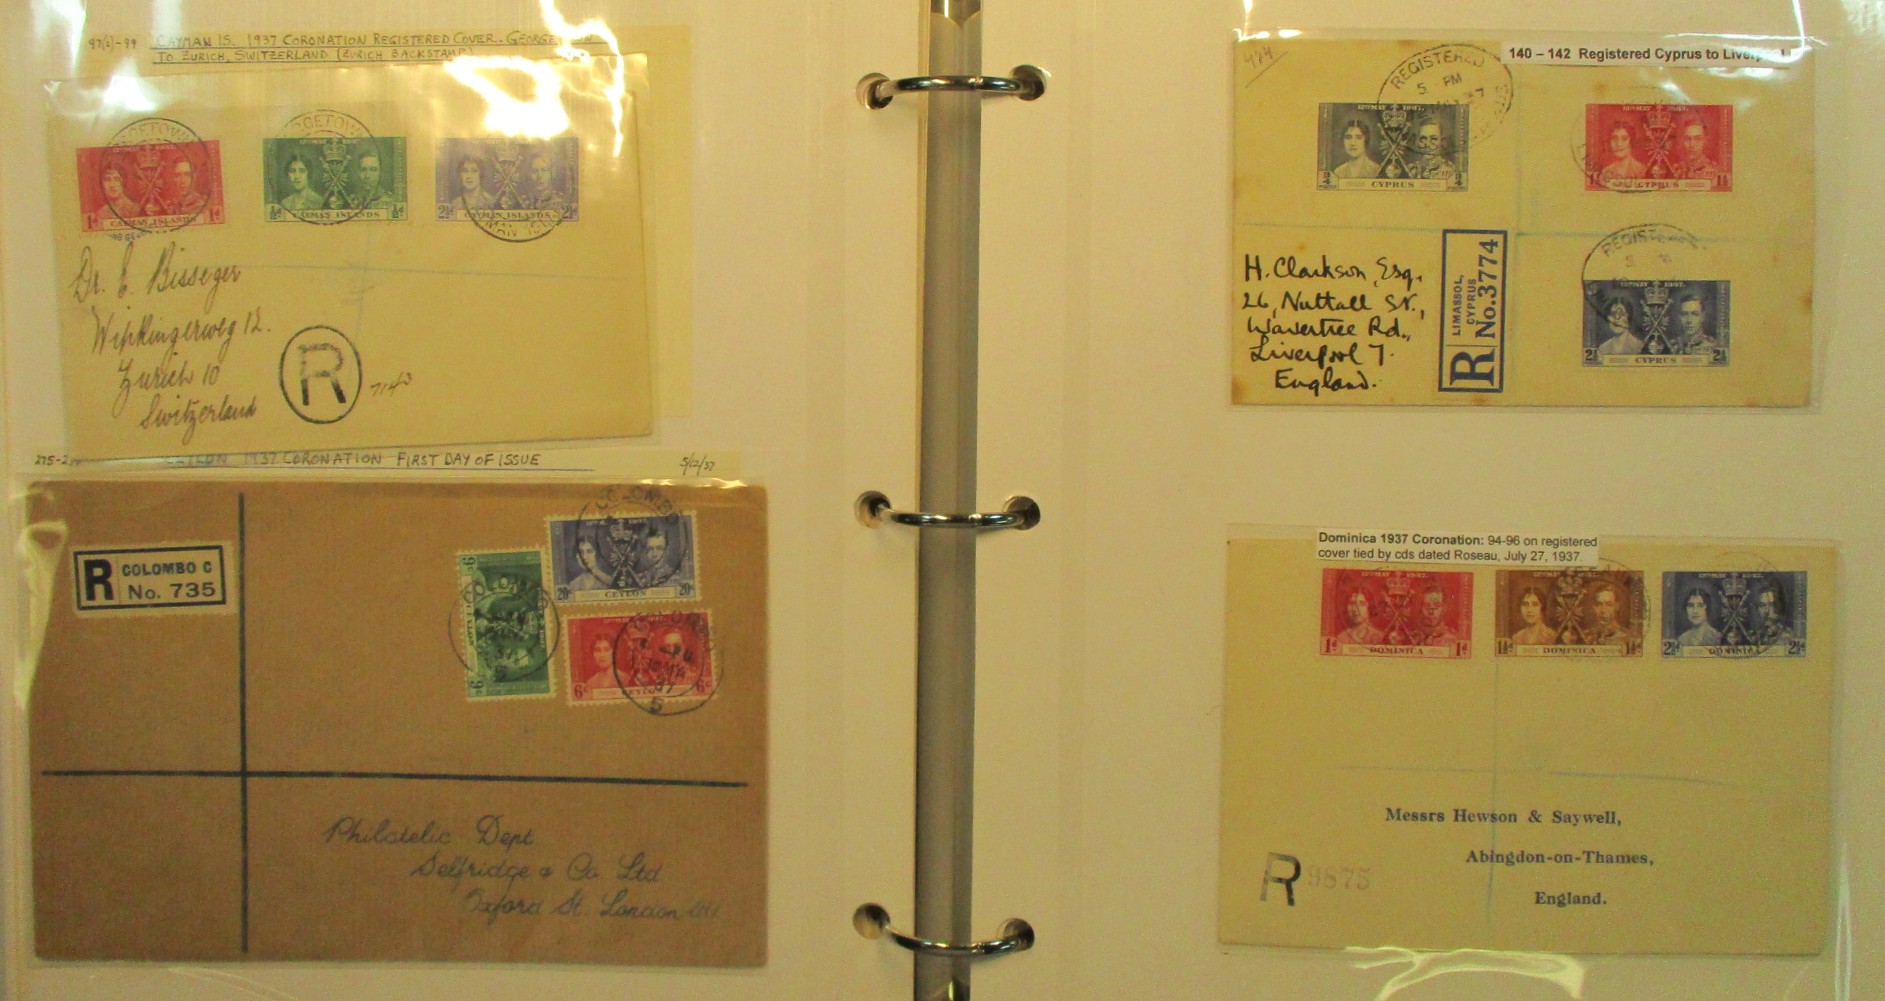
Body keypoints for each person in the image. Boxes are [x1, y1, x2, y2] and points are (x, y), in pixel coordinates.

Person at [1673, 116, 1726, 186]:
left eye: (1698, 139)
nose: (1692, 144)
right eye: (1687, 139)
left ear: (1705, 141)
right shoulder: (1676, 169)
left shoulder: (1715, 170)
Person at [1588, 583, 1636, 647]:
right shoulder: (1586, 636)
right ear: (1594, 607)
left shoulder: (1628, 638)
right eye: (1598, 604)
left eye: (1609, 604)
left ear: (1617, 607)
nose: (1603, 610)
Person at [1674, 291, 1720, 357]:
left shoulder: (1713, 347)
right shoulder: (1673, 345)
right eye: (1684, 314)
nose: (1689, 320)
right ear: (1679, 317)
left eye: (1695, 314)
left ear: (1703, 317)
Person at [1753, 580, 1796, 645]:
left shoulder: (1790, 637)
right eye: (1762, 605)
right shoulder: (1755, 637)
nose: (1767, 611)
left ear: (1780, 607)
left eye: (1772, 605)